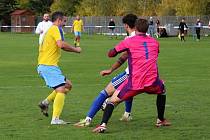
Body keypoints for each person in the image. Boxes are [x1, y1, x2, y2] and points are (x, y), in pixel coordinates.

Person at [92, 18, 171, 133]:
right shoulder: (155, 42)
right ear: (147, 28)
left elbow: (111, 53)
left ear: (136, 28)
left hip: (135, 83)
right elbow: (153, 54)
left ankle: (103, 125)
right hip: (152, 82)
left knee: (112, 101)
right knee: (162, 89)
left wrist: (115, 51)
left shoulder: (129, 41)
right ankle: (160, 119)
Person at [74, 14, 138, 127]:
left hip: (131, 74)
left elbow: (119, 56)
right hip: (147, 74)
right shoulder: (146, 36)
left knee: (105, 92)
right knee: (128, 90)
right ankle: (127, 114)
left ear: (126, 25)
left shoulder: (129, 39)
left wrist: (110, 69)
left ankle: (88, 119)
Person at [37, 11, 82, 125]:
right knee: (61, 89)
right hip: (48, 66)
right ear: (59, 20)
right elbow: (61, 45)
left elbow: (61, 45)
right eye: (64, 21)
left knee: (68, 86)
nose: (65, 23)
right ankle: (55, 119)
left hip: (47, 65)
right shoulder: (55, 29)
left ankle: (45, 102)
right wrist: (76, 50)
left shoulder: (52, 29)